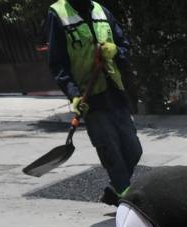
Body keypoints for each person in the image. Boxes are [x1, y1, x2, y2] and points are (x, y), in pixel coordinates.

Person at [46, 0, 141, 206]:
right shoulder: (58, 14)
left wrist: (115, 50)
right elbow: (57, 64)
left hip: (115, 92)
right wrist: (73, 95)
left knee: (134, 149)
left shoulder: (101, 10)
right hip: (90, 98)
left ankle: (114, 192)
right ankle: (127, 204)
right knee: (112, 153)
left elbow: (124, 45)